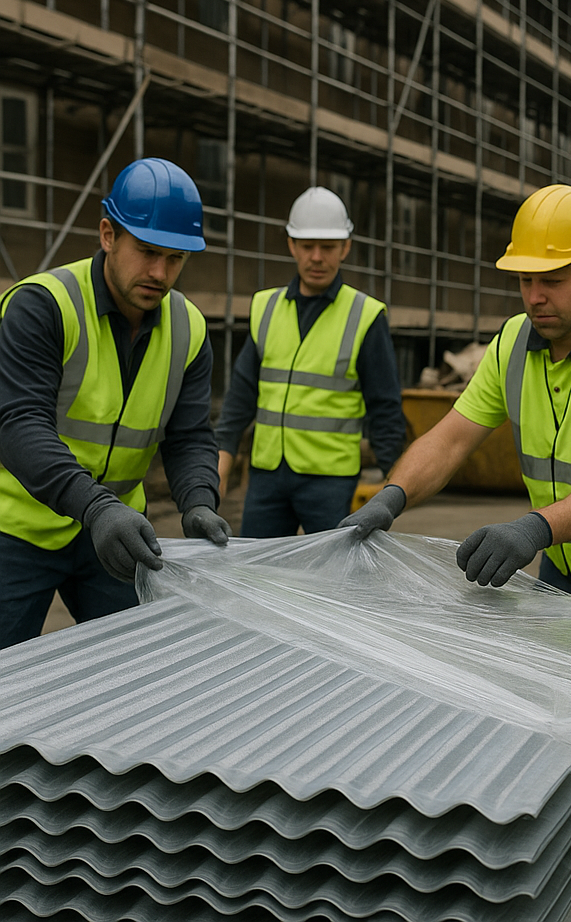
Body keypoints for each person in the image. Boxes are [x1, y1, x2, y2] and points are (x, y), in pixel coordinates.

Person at [341, 183, 571, 609]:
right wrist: (391, 497)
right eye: (525, 280)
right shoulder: (512, 342)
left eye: (552, 281)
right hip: (566, 561)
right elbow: (451, 440)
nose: (535, 297)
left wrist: (532, 529)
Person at [0, 157, 231, 648]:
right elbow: (19, 423)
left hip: (117, 532)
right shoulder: (43, 305)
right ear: (108, 234)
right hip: (16, 529)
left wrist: (197, 501)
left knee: (133, 676)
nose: (159, 272)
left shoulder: (188, 328)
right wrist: (96, 506)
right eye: (147, 251)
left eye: (175, 259)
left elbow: (189, 435)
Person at [216, 186, 405, 536]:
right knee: (260, 577)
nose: (317, 257)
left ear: (345, 247)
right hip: (267, 478)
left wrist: (392, 489)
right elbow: (240, 397)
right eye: (307, 246)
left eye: (328, 247)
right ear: (292, 245)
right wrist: (221, 462)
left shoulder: (365, 315)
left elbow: (385, 410)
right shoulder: (265, 308)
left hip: (330, 482)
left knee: (331, 580)